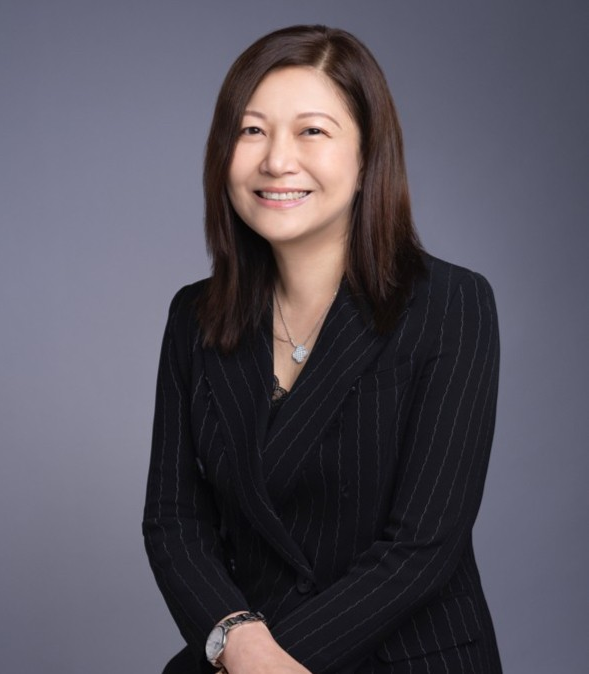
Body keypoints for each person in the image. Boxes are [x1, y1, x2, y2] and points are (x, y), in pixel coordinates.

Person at [142, 24, 502, 674]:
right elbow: (173, 521)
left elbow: (423, 546)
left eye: (312, 131)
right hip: (243, 654)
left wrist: (269, 662)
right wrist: (236, 641)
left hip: (404, 659)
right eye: (252, 131)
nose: (277, 160)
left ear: (367, 157)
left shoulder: (452, 305)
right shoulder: (193, 317)